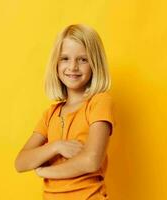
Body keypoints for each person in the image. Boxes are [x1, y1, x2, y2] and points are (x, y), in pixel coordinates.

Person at [15, 24, 115, 200]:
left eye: (83, 59)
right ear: (56, 63)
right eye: (65, 58)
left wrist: (46, 171)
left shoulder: (99, 102)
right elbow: (21, 162)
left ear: (95, 63)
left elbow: (91, 161)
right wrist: (57, 146)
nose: (73, 67)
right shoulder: (51, 114)